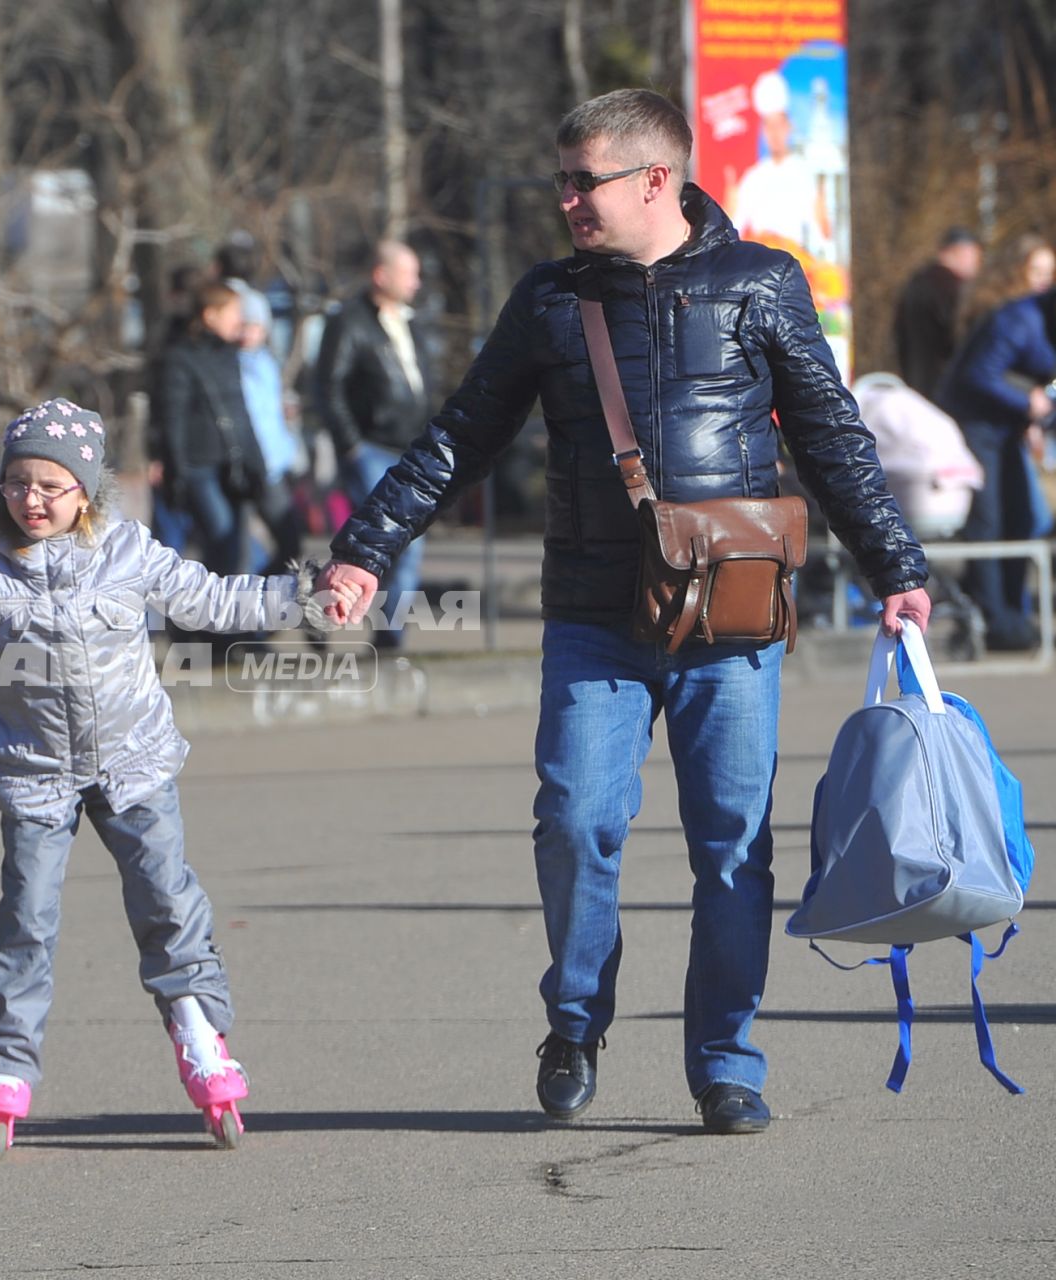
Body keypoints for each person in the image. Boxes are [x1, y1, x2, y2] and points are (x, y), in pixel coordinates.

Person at [316, 89, 930, 1135]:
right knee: (577, 818)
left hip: (731, 619)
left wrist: (895, 564)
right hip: (596, 616)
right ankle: (574, 1017)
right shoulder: (553, 302)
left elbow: (832, 436)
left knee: (732, 844)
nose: (566, 202)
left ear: (657, 179)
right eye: (561, 180)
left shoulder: (761, 284)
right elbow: (461, 435)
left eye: (581, 181)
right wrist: (368, 547)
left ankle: (728, 1060)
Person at [0, 398, 313, 1155]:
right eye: (17, 484)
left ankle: (200, 1033)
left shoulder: (129, 550)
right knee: (26, 920)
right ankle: (4, 1065)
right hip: (36, 772)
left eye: (51, 487)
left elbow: (218, 598)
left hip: (134, 763)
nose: (31, 501)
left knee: (168, 902)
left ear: (87, 492)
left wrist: (310, 595)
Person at [936, 233, 1056, 651]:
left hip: (1006, 429)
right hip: (975, 427)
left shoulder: (1040, 319)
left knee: (1024, 519)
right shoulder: (1017, 320)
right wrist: (1028, 401)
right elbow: (979, 376)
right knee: (990, 523)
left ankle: (1013, 614)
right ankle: (994, 619)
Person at [313, 240, 433, 650]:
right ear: (381, 275)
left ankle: (388, 637)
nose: (416, 282)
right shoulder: (350, 321)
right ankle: (361, 629)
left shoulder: (411, 322)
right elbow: (328, 387)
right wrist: (351, 446)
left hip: (412, 451)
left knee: (405, 545)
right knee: (377, 543)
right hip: (371, 450)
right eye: (408, 273)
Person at [153, 283, 266, 578]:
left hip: (234, 467)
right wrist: (175, 470)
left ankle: (225, 620)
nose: (239, 320)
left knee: (236, 548)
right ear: (210, 315)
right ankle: (205, 620)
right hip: (199, 468)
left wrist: (257, 461)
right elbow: (172, 418)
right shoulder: (179, 357)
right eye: (233, 312)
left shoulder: (229, 356)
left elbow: (241, 412)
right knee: (222, 542)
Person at [227, 280, 306, 573]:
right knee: (238, 551)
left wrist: (288, 449)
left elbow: (270, 415)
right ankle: (241, 607)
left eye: (255, 326)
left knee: (290, 543)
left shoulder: (266, 363)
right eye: (244, 325)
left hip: (271, 465)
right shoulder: (228, 363)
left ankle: (260, 597)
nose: (249, 333)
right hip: (241, 464)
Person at [730, 70, 831, 254]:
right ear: (763, 131)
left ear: (788, 127)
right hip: (758, 262)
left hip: (794, 259)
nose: (775, 134)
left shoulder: (804, 174)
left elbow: (822, 235)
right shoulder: (753, 177)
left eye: (779, 125)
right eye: (769, 126)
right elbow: (734, 226)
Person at [894, 227, 984, 407]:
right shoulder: (954, 289)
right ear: (959, 252)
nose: (978, 265)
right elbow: (960, 338)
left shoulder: (915, 283)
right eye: (976, 257)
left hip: (914, 382)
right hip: (946, 388)